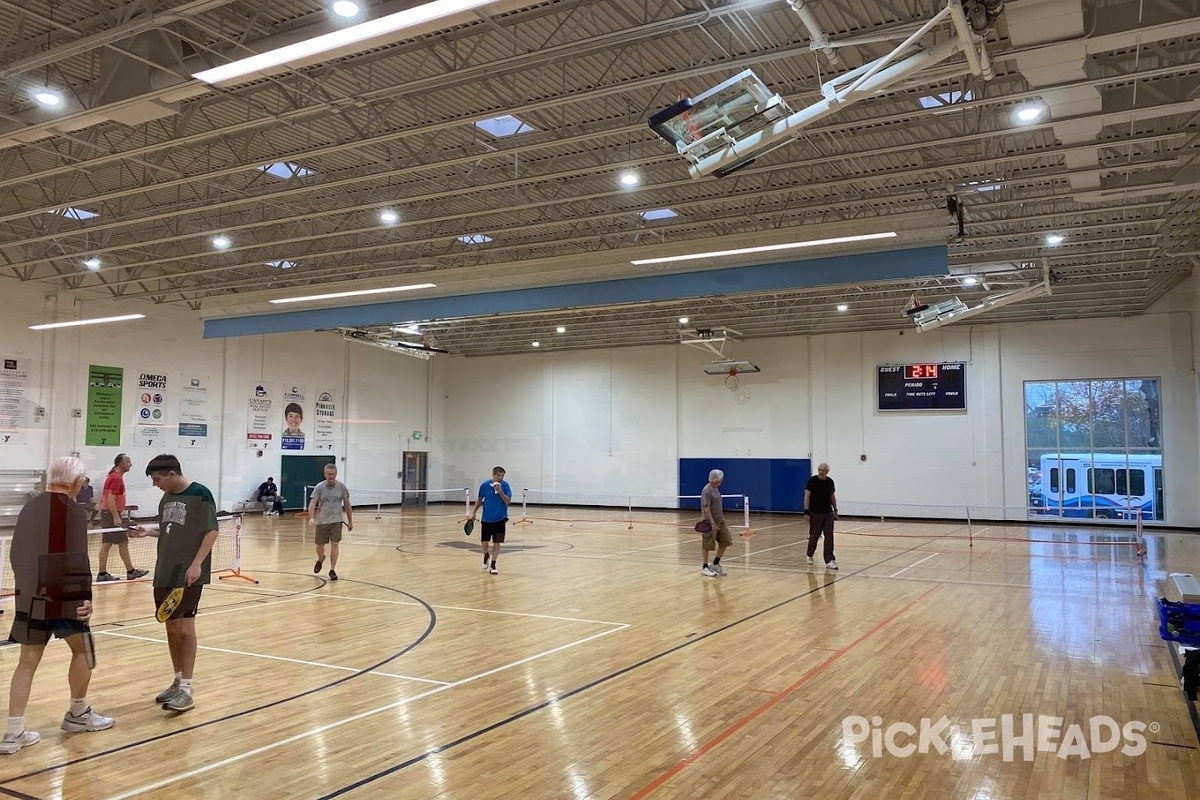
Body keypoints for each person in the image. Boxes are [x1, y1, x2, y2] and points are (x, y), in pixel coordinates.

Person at [2, 456, 114, 755]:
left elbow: (16, 554)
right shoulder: (74, 511)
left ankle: (13, 733)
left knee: (26, 662)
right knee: (84, 650)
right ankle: (78, 714)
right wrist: (85, 597)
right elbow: (77, 558)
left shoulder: (29, 507)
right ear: (77, 482)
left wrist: (25, 590)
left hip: (31, 598)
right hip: (65, 600)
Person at [133, 455, 220, 713]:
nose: (155, 484)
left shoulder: (200, 494)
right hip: (164, 572)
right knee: (171, 628)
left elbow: (211, 531)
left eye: (157, 479)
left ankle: (187, 689)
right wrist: (148, 531)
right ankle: (177, 680)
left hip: (187, 574)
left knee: (185, 628)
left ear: (171, 474)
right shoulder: (166, 498)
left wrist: (197, 564)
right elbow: (168, 528)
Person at [97, 454, 148, 582]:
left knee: (109, 543)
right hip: (111, 514)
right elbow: (110, 498)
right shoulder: (116, 478)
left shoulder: (113, 476)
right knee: (120, 542)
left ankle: (103, 574)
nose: (131, 464)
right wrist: (116, 517)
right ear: (121, 463)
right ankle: (130, 572)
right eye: (128, 461)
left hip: (107, 513)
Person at [307, 464, 352, 581]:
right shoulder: (319, 487)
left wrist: (350, 521)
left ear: (335, 474)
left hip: (337, 521)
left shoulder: (342, 487)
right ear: (325, 474)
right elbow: (313, 503)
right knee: (319, 546)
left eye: (333, 474)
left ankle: (332, 570)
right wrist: (311, 517)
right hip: (322, 521)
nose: (331, 476)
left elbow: (347, 505)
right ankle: (321, 558)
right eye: (329, 474)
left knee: (335, 544)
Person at [468, 466, 512, 575]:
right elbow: (479, 500)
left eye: (502, 475)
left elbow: (507, 501)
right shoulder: (484, 485)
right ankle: (486, 555)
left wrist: (500, 491)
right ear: (493, 475)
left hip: (500, 519)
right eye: (499, 475)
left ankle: (493, 564)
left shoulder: (505, 486)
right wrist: (473, 512)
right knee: (484, 542)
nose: (501, 477)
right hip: (486, 518)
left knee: (497, 543)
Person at [804, 462, 839, 570]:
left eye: (823, 470)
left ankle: (829, 560)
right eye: (819, 469)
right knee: (814, 536)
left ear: (827, 471)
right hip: (815, 513)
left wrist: (835, 510)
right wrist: (806, 511)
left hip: (828, 513)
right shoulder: (812, 481)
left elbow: (832, 496)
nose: (821, 471)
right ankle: (809, 554)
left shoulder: (829, 482)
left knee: (829, 536)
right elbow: (807, 496)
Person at [700, 469, 733, 577]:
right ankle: (705, 567)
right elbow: (706, 508)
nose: (721, 481)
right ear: (715, 479)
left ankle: (715, 563)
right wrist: (712, 523)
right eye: (720, 479)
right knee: (707, 544)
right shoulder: (707, 490)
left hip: (720, 520)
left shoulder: (716, 489)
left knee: (726, 541)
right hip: (708, 521)